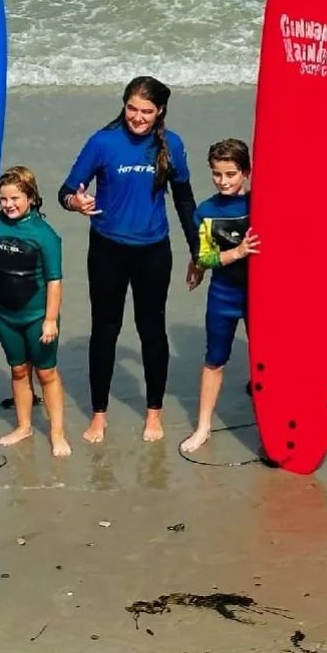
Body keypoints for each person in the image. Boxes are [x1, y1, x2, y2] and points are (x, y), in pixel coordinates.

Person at [59, 76, 202, 443]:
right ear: (124, 105)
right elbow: (66, 191)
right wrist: (76, 202)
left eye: (146, 111)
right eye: (132, 109)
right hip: (107, 249)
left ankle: (154, 413)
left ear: (160, 112)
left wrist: (199, 252)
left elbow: (184, 202)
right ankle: (98, 415)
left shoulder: (172, 145)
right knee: (105, 330)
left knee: (151, 329)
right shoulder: (103, 142)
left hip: (153, 250)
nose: (137, 117)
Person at [180, 139, 259, 453]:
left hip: (259, 297)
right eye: (217, 174)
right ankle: (203, 427)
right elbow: (205, 257)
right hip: (224, 295)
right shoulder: (207, 211)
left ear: (246, 172)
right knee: (214, 359)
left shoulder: (261, 205)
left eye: (231, 174)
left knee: (264, 360)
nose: (223, 181)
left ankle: (271, 427)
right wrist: (238, 252)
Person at [0, 166, 70, 458]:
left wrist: (50, 320)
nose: (8, 204)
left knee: (47, 373)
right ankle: (24, 426)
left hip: (37, 317)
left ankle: (57, 433)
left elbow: (54, 280)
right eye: (3, 199)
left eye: (15, 198)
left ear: (31, 198)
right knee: (18, 369)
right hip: (5, 315)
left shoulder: (45, 234)